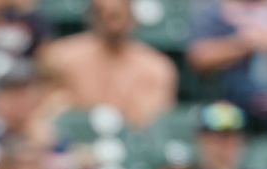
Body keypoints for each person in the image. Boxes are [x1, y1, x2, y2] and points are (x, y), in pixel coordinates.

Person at [38, 0, 177, 128]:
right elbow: (46, 114)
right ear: (92, 16)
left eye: (117, 14)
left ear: (132, 16)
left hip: (131, 145)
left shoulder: (156, 67)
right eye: (102, 12)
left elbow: (151, 121)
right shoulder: (61, 57)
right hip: (76, 143)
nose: (111, 21)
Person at [187, 0, 267, 130]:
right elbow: (199, 56)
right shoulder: (216, 12)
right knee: (222, 117)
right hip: (230, 99)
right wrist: (244, 43)